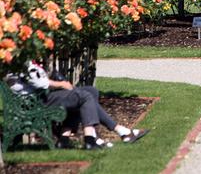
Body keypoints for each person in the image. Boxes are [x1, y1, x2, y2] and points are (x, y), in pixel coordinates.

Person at [6, 61, 149, 150]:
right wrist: (61, 84)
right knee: (84, 96)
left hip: (39, 98)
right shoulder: (16, 59)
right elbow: (39, 83)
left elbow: (36, 78)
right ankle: (91, 140)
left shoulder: (19, 56)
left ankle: (64, 139)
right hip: (36, 102)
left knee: (90, 91)